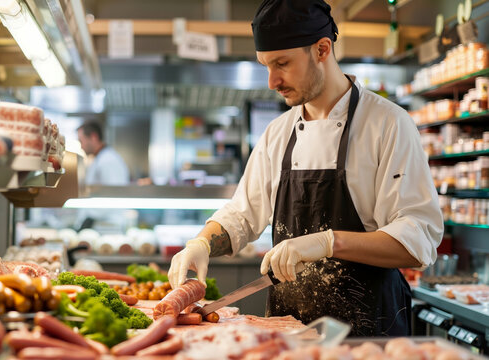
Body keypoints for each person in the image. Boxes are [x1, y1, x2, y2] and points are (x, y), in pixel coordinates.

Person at [168, 0, 443, 337]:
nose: (272, 81)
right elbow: (241, 215)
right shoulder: (277, 133)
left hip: (367, 336)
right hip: (288, 336)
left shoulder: (387, 124)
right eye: (265, 66)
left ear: (322, 49)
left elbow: (418, 242)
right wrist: (202, 244)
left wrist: (329, 242)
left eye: (282, 63)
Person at [77, 121, 130, 185]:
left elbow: (115, 191)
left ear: (94, 137)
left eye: (81, 141)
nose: (81, 147)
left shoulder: (108, 160)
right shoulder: (100, 158)